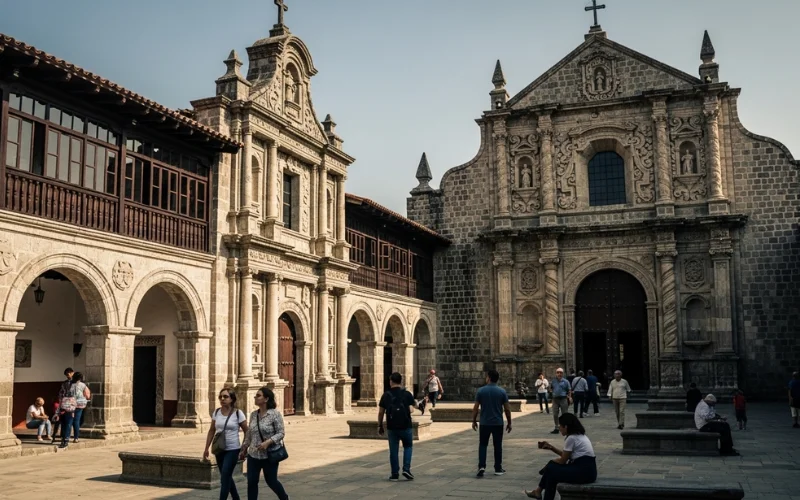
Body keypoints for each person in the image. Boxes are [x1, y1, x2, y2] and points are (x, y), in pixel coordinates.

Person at [524, 413, 597, 500]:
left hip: (584, 472)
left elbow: (563, 460)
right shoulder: (580, 435)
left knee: (552, 471)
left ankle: (539, 492)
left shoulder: (572, 438)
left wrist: (550, 464)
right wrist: (551, 448)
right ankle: (538, 491)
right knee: (552, 470)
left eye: (560, 425)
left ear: (566, 427)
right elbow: (566, 456)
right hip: (588, 471)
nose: (559, 428)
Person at [239, 387, 289, 500]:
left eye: (258, 395)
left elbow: (281, 433)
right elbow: (249, 434)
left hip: (269, 455)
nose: (255, 397)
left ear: (266, 399)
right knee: (251, 482)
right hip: (253, 455)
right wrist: (243, 449)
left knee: (271, 481)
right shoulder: (253, 415)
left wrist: (268, 442)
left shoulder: (274, 414)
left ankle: (284, 498)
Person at [204, 388, 248, 500]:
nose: (222, 399)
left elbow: (247, 432)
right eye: (220, 397)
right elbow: (211, 430)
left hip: (233, 449)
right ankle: (236, 498)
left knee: (225, 477)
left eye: (225, 397)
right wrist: (206, 448)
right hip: (219, 449)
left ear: (232, 399)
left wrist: (244, 448)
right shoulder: (217, 412)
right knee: (227, 476)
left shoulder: (238, 413)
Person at [472, 369, 512, 477]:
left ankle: (481, 466)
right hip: (498, 423)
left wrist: (474, 421)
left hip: (484, 423)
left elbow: (475, 408)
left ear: (489, 378)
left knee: (483, 445)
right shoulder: (502, 391)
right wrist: (509, 422)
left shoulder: (481, 391)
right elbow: (507, 409)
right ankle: (498, 468)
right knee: (497, 445)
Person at [378, 372, 416, 481]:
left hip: (392, 426)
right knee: (408, 447)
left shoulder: (386, 395)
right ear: (401, 381)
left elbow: (381, 412)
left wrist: (380, 425)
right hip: (406, 425)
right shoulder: (407, 394)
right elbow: (412, 408)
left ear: (391, 381)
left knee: (393, 450)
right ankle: (406, 469)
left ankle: (394, 474)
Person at [60, 371, 90, 448]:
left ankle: (66, 438)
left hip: (71, 404)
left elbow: (65, 393)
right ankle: (76, 438)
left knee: (69, 421)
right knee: (77, 421)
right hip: (80, 404)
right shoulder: (83, 385)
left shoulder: (69, 385)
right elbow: (87, 395)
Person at [550, 368, 572, 434]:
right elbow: (551, 388)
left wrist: (570, 397)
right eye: (558, 372)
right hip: (555, 399)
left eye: (561, 372)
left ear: (563, 373)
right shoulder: (553, 381)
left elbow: (569, 390)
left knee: (564, 414)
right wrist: (551, 393)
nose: (559, 374)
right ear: (556, 373)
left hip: (563, 399)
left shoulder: (566, 381)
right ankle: (556, 427)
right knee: (555, 414)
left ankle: (565, 427)